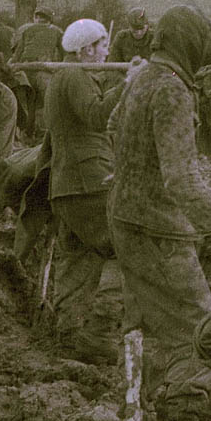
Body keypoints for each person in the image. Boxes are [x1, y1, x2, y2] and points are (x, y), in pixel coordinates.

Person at [109, 6, 211, 421]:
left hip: (124, 216)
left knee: (143, 321)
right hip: (158, 227)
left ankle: (134, 416)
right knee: (198, 325)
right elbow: (181, 176)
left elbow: (113, 126)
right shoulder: (173, 90)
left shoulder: (141, 78)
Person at [42, 19, 138, 362]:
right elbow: (97, 116)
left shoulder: (63, 78)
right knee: (127, 247)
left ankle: (68, 338)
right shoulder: (73, 76)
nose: (107, 51)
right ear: (85, 50)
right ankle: (99, 332)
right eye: (101, 45)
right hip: (88, 182)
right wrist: (127, 84)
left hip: (68, 186)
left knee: (78, 258)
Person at [10, 8, 63, 140]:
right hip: (44, 69)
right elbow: (64, 53)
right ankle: (42, 137)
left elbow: (18, 53)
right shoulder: (56, 31)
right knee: (45, 104)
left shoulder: (27, 30)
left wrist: (11, 66)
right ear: (50, 19)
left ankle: (27, 134)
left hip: (25, 69)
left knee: (29, 103)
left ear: (37, 18)